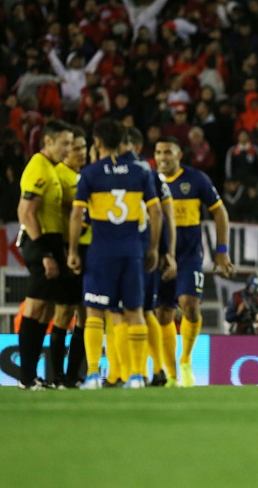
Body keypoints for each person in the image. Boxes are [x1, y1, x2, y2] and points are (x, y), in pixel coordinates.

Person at [67, 118, 161, 389]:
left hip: (101, 252)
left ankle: (94, 374)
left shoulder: (91, 173)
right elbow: (155, 212)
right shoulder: (141, 171)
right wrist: (153, 247)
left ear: (97, 142)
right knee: (135, 312)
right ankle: (135, 376)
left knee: (94, 312)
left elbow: (76, 213)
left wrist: (73, 250)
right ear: (122, 141)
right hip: (132, 252)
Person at [154, 135, 235, 387]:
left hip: (188, 254)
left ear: (179, 155)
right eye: (158, 152)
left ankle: (186, 361)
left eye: (168, 152)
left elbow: (220, 211)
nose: (162, 158)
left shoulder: (196, 179)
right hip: (158, 255)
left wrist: (222, 250)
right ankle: (171, 375)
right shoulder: (148, 181)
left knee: (189, 304)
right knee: (163, 313)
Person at [16, 120, 73, 389]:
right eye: (64, 143)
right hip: (41, 243)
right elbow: (26, 213)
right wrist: (46, 253)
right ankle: (25, 378)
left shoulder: (51, 169)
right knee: (36, 307)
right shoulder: (38, 167)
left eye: (71, 143)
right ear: (48, 142)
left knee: (46, 309)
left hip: (51, 243)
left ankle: (32, 375)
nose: (68, 148)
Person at [121, 127, 177, 386]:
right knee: (143, 311)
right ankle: (152, 370)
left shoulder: (148, 176)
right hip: (136, 250)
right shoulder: (152, 177)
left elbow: (166, 217)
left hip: (140, 251)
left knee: (136, 311)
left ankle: (142, 371)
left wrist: (166, 252)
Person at [52, 127, 89, 388]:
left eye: (84, 147)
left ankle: (74, 375)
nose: (81, 152)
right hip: (67, 249)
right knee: (64, 313)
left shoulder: (86, 176)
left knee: (86, 315)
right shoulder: (58, 176)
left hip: (89, 250)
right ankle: (56, 376)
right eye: (76, 148)